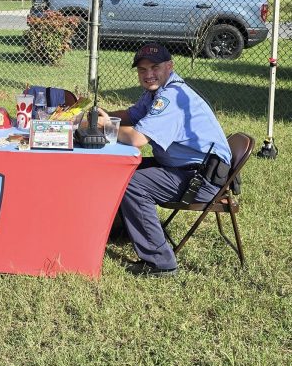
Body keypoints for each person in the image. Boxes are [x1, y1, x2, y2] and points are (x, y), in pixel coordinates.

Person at [94, 43, 232, 277]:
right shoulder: (157, 91)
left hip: (200, 179)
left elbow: (137, 138)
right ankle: (125, 229)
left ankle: (160, 263)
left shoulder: (171, 98)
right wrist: (95, 116)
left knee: (131, 183)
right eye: (142, 70)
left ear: (170, 66)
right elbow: (132, 115)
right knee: (117, 170)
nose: (148, 74)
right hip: (185, 169)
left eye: (154, 67)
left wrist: (105, 126)